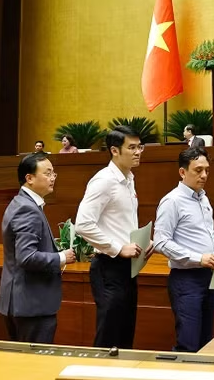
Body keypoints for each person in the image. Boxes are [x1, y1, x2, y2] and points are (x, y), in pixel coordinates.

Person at [75, 126, 149, 349]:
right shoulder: (104, 180)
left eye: (140, 147)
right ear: (115, 151)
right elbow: (83, 224)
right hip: (109, 267)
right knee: (109, 336)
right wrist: (118, 248)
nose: (138, 152)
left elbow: (120, 223)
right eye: (132, 148)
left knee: (125, 335)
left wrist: (142, 242)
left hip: (128, 268)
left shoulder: (129, 178)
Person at [0, 153, 76, 343]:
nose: (52, 178)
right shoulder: (27, 209)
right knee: (34, 361)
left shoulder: (20, 202)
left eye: (53, 173)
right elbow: (26, 256)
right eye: (47, 173)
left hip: (22, 303)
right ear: (29, 178)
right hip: (31, 306)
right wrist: (61, 257)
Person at [154, 148, 214, 352]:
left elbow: (208, 233)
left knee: (205, 343)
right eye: (198, 170)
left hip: (209, 276)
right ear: (182, 172)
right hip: (186, 280)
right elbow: (160, 242)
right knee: (188, 344)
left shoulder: (203, 198)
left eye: (207, 170)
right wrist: (198, 258)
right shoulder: (172, 201)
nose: (204, 175)